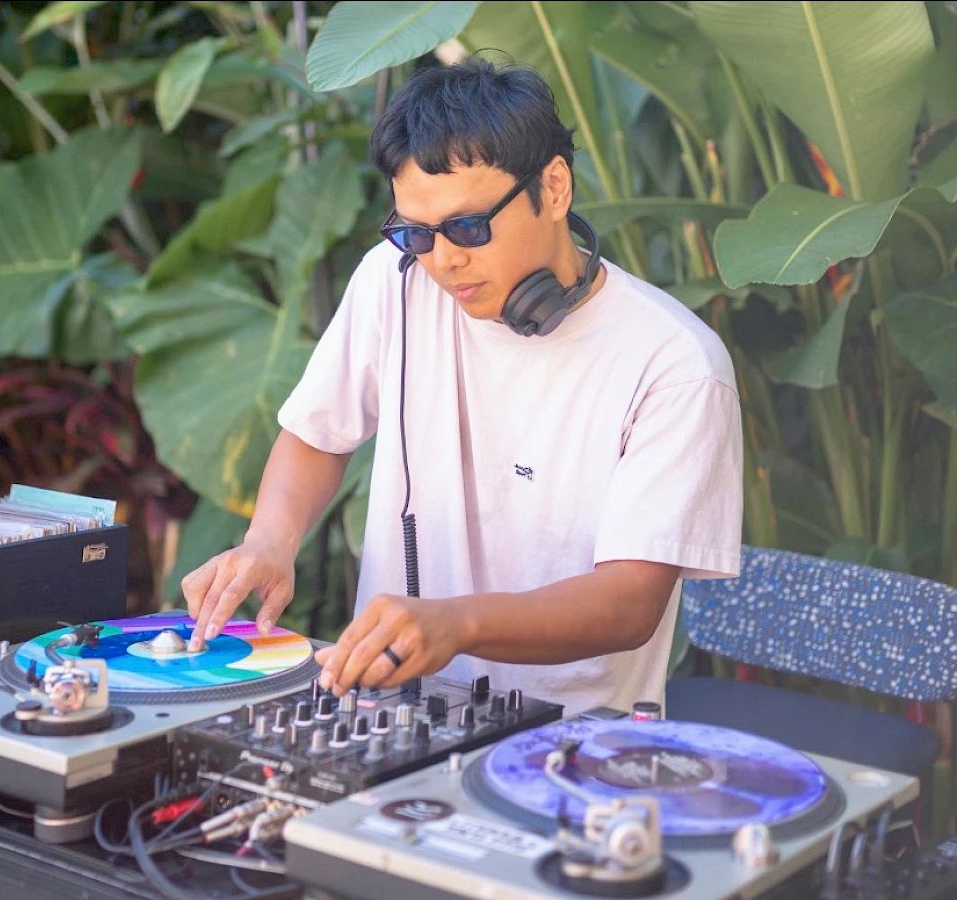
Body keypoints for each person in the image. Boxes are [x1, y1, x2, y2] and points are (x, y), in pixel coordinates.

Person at [181, 58, 742, 716]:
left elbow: (629, 604)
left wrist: (456, 626)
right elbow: (317, 434)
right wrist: (269, 540)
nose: (443, 260)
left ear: (554, 189)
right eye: (417, 233)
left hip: (568, 749)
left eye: (469, 227)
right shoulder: (393, 279)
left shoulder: (675, 364)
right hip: (383, 713)